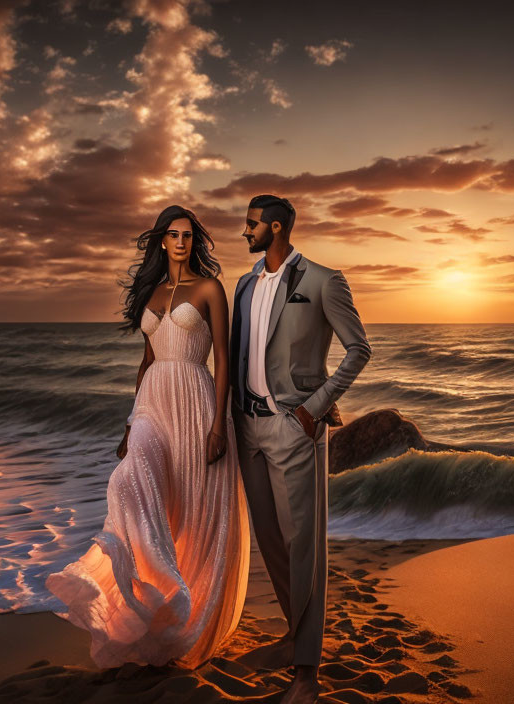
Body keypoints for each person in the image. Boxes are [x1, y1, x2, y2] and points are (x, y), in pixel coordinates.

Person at [45, 205, 250, 670]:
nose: (182, 241)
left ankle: (181, 611)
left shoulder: (210, 289)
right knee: (128, 480)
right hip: (153, 405)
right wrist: (129, 423)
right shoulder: (152, 292)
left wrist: (219, 424)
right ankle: (154, 591)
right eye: (173, 235)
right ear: (161, 241)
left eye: (188, 235)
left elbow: (224, 362)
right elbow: (147, 361)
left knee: (192, 508)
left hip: (196, 403)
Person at [230, 194, 372, 703]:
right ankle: (296, 637)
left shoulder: (322, 280)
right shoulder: (244, 284)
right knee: (269, 541)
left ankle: (307, 672)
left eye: (251, 225)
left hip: (295, 428)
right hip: (246, 429)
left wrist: (316, 407)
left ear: (275, 227)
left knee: (304, 548)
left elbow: (360, 349)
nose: (245, 232)